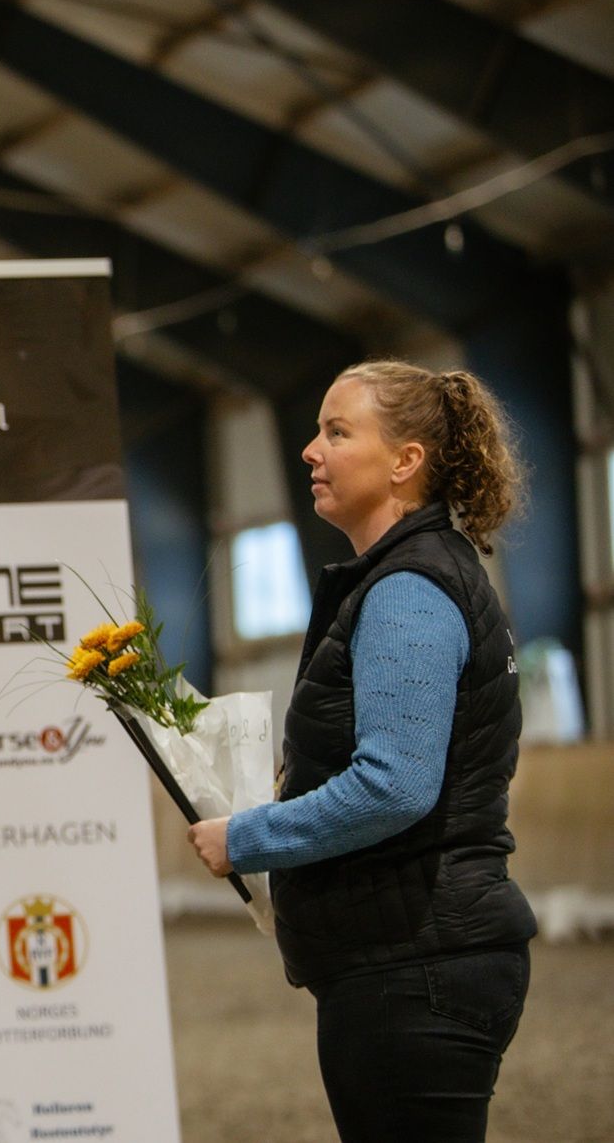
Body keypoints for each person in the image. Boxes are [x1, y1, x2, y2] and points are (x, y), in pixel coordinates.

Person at [187, 360, 537, 1143]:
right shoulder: (419, 574)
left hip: (413, 965)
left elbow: (394, 784)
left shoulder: (408, 588)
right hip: (415, 957)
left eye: (337, 432)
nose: (310, 450)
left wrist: (246, 836)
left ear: (404, 460)